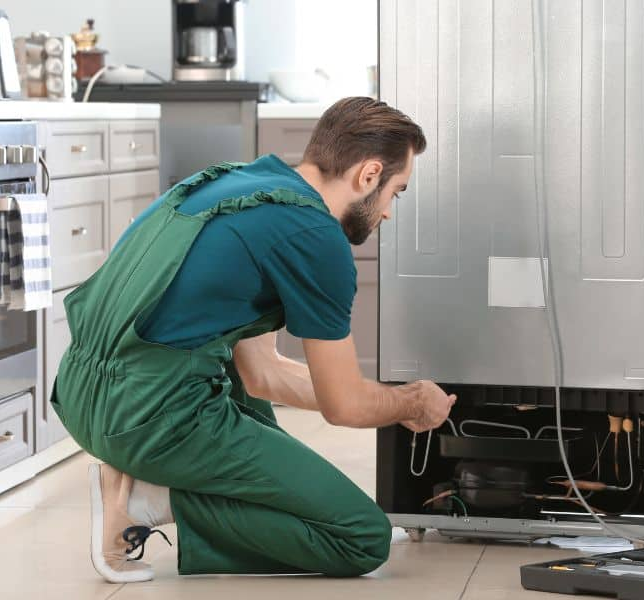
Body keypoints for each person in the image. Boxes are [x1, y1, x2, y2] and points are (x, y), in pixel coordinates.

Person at [50, 97, 456, 583]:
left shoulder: (238, 185)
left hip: (82, 396)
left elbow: (263, 376)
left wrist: (379, 400)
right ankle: (144, 502)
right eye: (397, 191)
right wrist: (409, 404)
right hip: (147, 417)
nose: (388, 212)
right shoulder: (316, 237)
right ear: (369, 175)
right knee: (360, 537)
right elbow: (344, 406)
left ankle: (152, 484)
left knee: (247, 407)